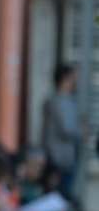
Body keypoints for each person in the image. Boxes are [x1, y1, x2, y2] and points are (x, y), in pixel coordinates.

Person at [42, 63, 81, 199]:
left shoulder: (67, 101)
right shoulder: (57, 101)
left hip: (65, 159)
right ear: (65, 79)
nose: (76, 82)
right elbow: (67, 128)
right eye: (73, 78)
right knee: (60, 197)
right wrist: (81, 130)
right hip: (58, 159)